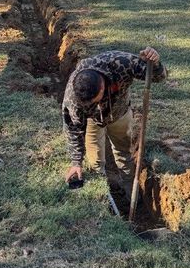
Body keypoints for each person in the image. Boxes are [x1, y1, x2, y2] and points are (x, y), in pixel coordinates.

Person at [62, 47, 168, 200]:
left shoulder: (121, 63)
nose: (99, 106)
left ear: (103, 85)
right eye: (92, 104)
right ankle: (106, 198)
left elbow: (159, 78)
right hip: (93, 121)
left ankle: (133, 196)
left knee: (124, 154)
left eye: (99, 99)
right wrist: (76, 162)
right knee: (96, 162)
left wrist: (156, 63)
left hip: (120, 114)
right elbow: (73, 130)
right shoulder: (72, 99)